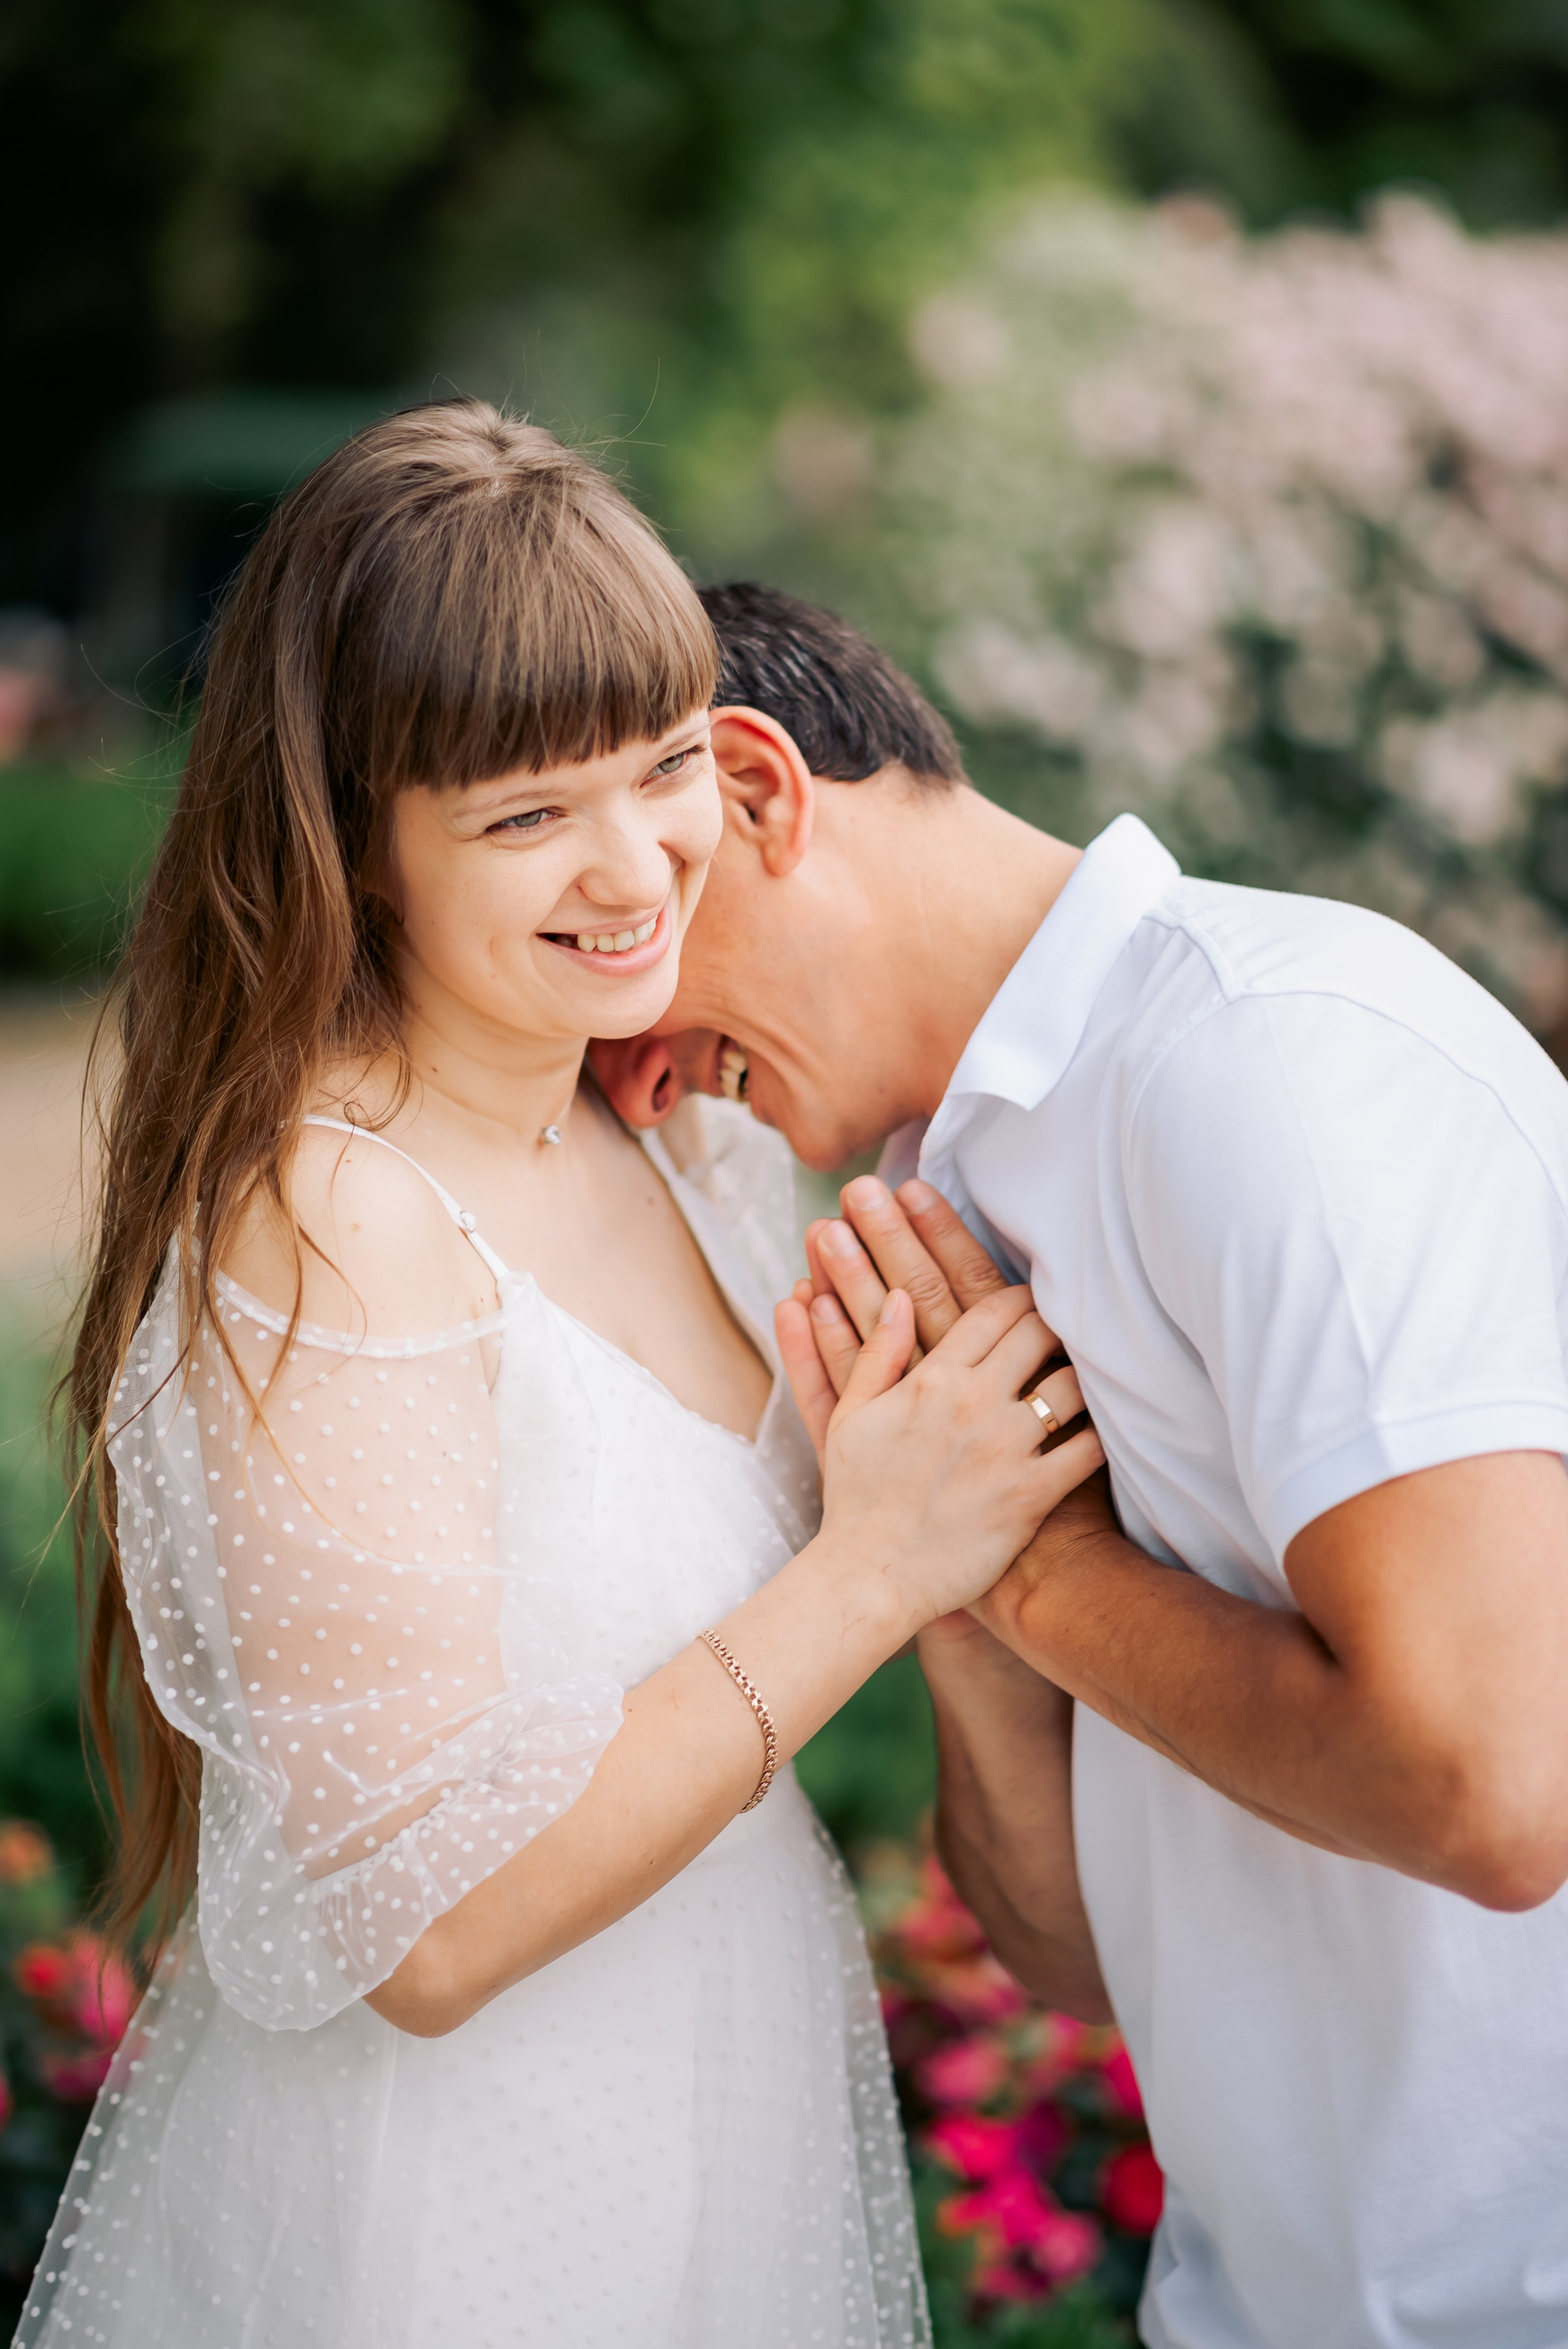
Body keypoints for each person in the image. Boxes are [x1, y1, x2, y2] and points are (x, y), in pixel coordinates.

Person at [17, 418, 1104, 2349]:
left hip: (720, 2124)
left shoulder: (691, 1142)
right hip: (458, 2211)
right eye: (526, 816)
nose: (633, 867)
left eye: (664, 766)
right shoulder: (332, 1212)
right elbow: (418, 1931)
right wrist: (879, 1562)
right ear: (359, 837)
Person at [593, 581, 1568, 2349]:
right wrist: (950, 1593)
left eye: (623, 971)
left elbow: (1497, 1792)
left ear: (752, 790)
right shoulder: (955, 1200)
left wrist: (1032, 1565)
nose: (640, 1084)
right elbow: (1073, 1952)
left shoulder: (1270, 1061)